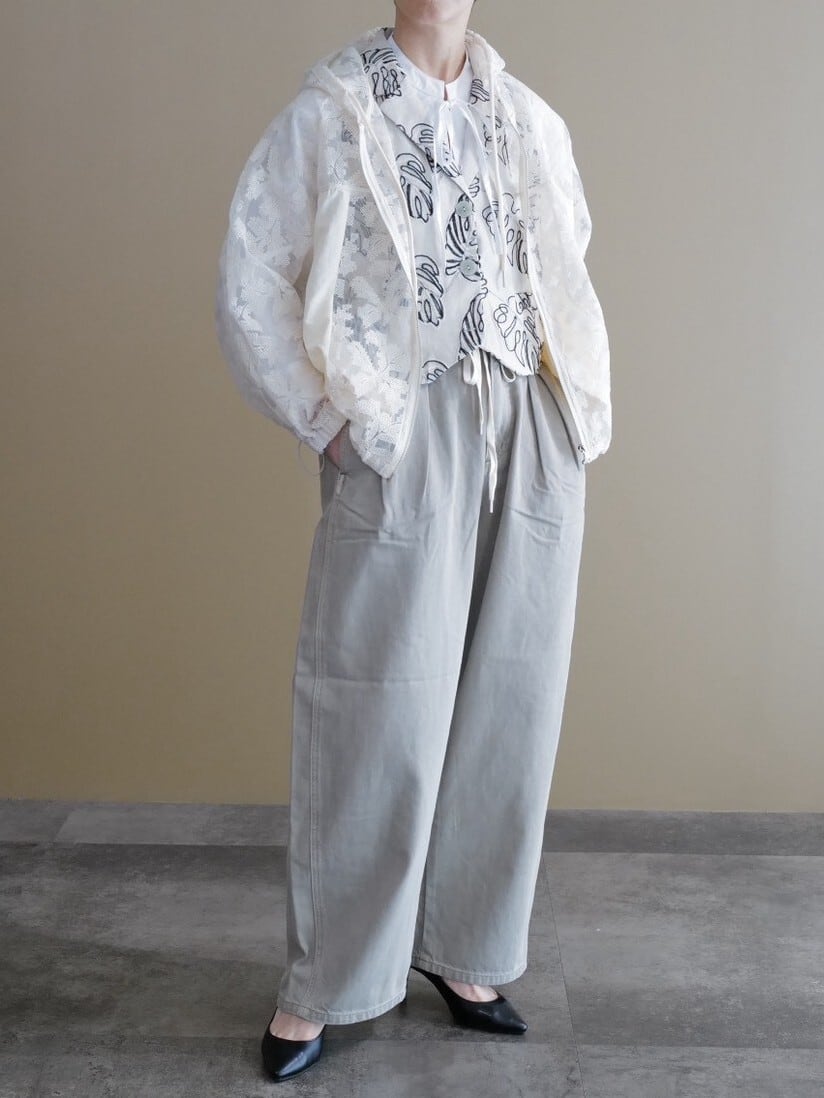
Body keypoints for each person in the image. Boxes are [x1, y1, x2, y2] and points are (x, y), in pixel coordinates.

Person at [215, 0, 611, 1082]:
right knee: (375, 698)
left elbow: (562, 257)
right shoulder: (332, 111)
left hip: (530, 419)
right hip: (405, 426)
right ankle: (327, 982)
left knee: (511, 695)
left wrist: (568, 415)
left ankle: (465, 951)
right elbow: (251, 272)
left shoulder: (525, 116)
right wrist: (328, 419)